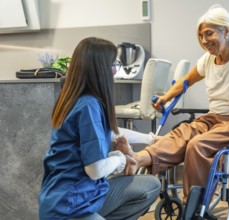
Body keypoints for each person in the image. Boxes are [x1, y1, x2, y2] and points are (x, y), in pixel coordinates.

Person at [115, 4, 229, 205]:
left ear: (226, 31)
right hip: (212, 118)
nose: (204, 41)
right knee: (180, 134)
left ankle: (194, 204)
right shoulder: (208, 60)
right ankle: (136, 159)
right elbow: (185, 81)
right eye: (201, 36)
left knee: (197, 145)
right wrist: (165, 98)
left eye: (209, 34)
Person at [38, 37, 160, 220]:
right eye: (114, 65)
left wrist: (149, 139)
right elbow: (94, 170)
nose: (115, 71)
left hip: (69, 197)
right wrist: (120, 158)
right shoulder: (89, 106)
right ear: (102, 69)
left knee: (149, 184)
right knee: (145, 184)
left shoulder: (75, 99)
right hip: (69, 207)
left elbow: (109, 131)